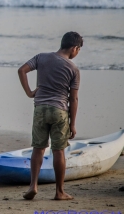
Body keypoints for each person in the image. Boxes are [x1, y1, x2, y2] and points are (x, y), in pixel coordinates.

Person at [18, 31, 83, 200]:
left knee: (38, 149)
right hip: (59, 111)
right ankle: (59, 192)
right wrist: (73, 124)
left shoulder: (41, 57)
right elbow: (73, 98)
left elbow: (22, 70)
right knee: (58, 151)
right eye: (78, 50)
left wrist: (29, 92)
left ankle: (33, 186)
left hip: (40, 108)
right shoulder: (73, 69)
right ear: (75, 48)